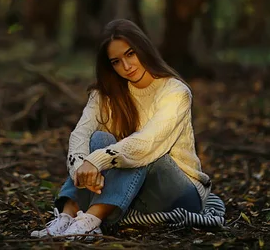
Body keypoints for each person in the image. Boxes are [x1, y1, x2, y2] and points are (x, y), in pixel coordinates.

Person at [30, 19, 212, 239]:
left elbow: (147, 142)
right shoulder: (104, 94)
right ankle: (68, 216)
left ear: (143, 49)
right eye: (116, 61)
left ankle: (91, 219)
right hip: (137, 192)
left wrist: (96, 161)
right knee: (99, 138)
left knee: (139, 151)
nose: (126, 67)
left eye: (130, 54)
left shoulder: (175, 92)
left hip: (180, 192)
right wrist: (82, 168)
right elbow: (80, 133)